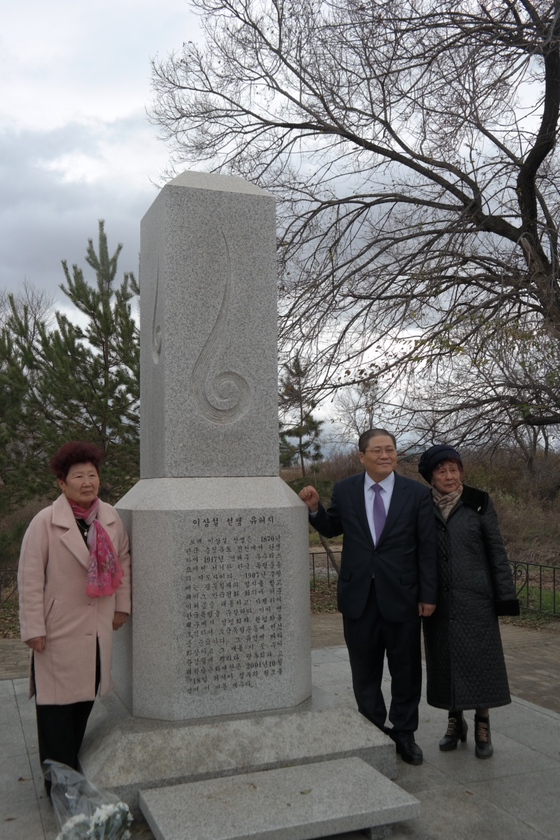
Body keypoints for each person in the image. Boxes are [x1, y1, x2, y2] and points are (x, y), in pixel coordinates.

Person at [299, 428, 437, 765]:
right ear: (361, 456)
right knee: (365, 669)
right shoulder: (346, 489)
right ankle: (373, 727)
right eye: (377, 450)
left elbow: (427, 548)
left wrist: (428, 594)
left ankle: (404, 733)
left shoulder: (416, 494)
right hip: (358, 595)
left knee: (406, 670)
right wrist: (315, 510)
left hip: (402, 595)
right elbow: (333, 526)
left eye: (390, 449)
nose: (385, 455)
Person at [18, 441, 131, 793]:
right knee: (55, 710)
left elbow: (124, 562)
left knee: (83, 700)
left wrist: (122, 606)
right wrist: (33, 628)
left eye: (92, 475)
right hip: (57, 630)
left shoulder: (111, 518)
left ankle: (70, 773)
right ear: (61, 483)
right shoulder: (45, 523)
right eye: (78, 476)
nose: (87, 482)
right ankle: (58, 786)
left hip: (96, 629)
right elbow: (30, 578)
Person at [418, 444, 519, 759]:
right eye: (442, 471)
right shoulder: (421, 506)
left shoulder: (478, 502)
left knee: (480, 663)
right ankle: (454, 722)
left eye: (454, 469)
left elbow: (497, 552)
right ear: (431, 476)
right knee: (445, 661)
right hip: (439, 602)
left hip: (476, 599)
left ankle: (482, 725)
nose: (449, 476)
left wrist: (505, 597)